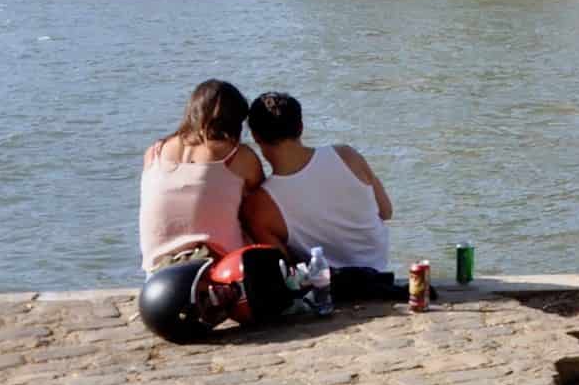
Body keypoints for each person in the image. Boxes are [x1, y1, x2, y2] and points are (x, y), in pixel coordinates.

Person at [240, 92, 392, 274]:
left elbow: (284, 268)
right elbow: (386, 211)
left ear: (256, 137)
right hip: (380, 273)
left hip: (329, 290)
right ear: (301, 127)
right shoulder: (347, 156)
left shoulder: (258, 208)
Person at [139, 79, 265, 271]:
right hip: (219, 269)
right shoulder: (239, 157)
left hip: (158, 273)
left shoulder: (154, 153)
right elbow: (262, 208)